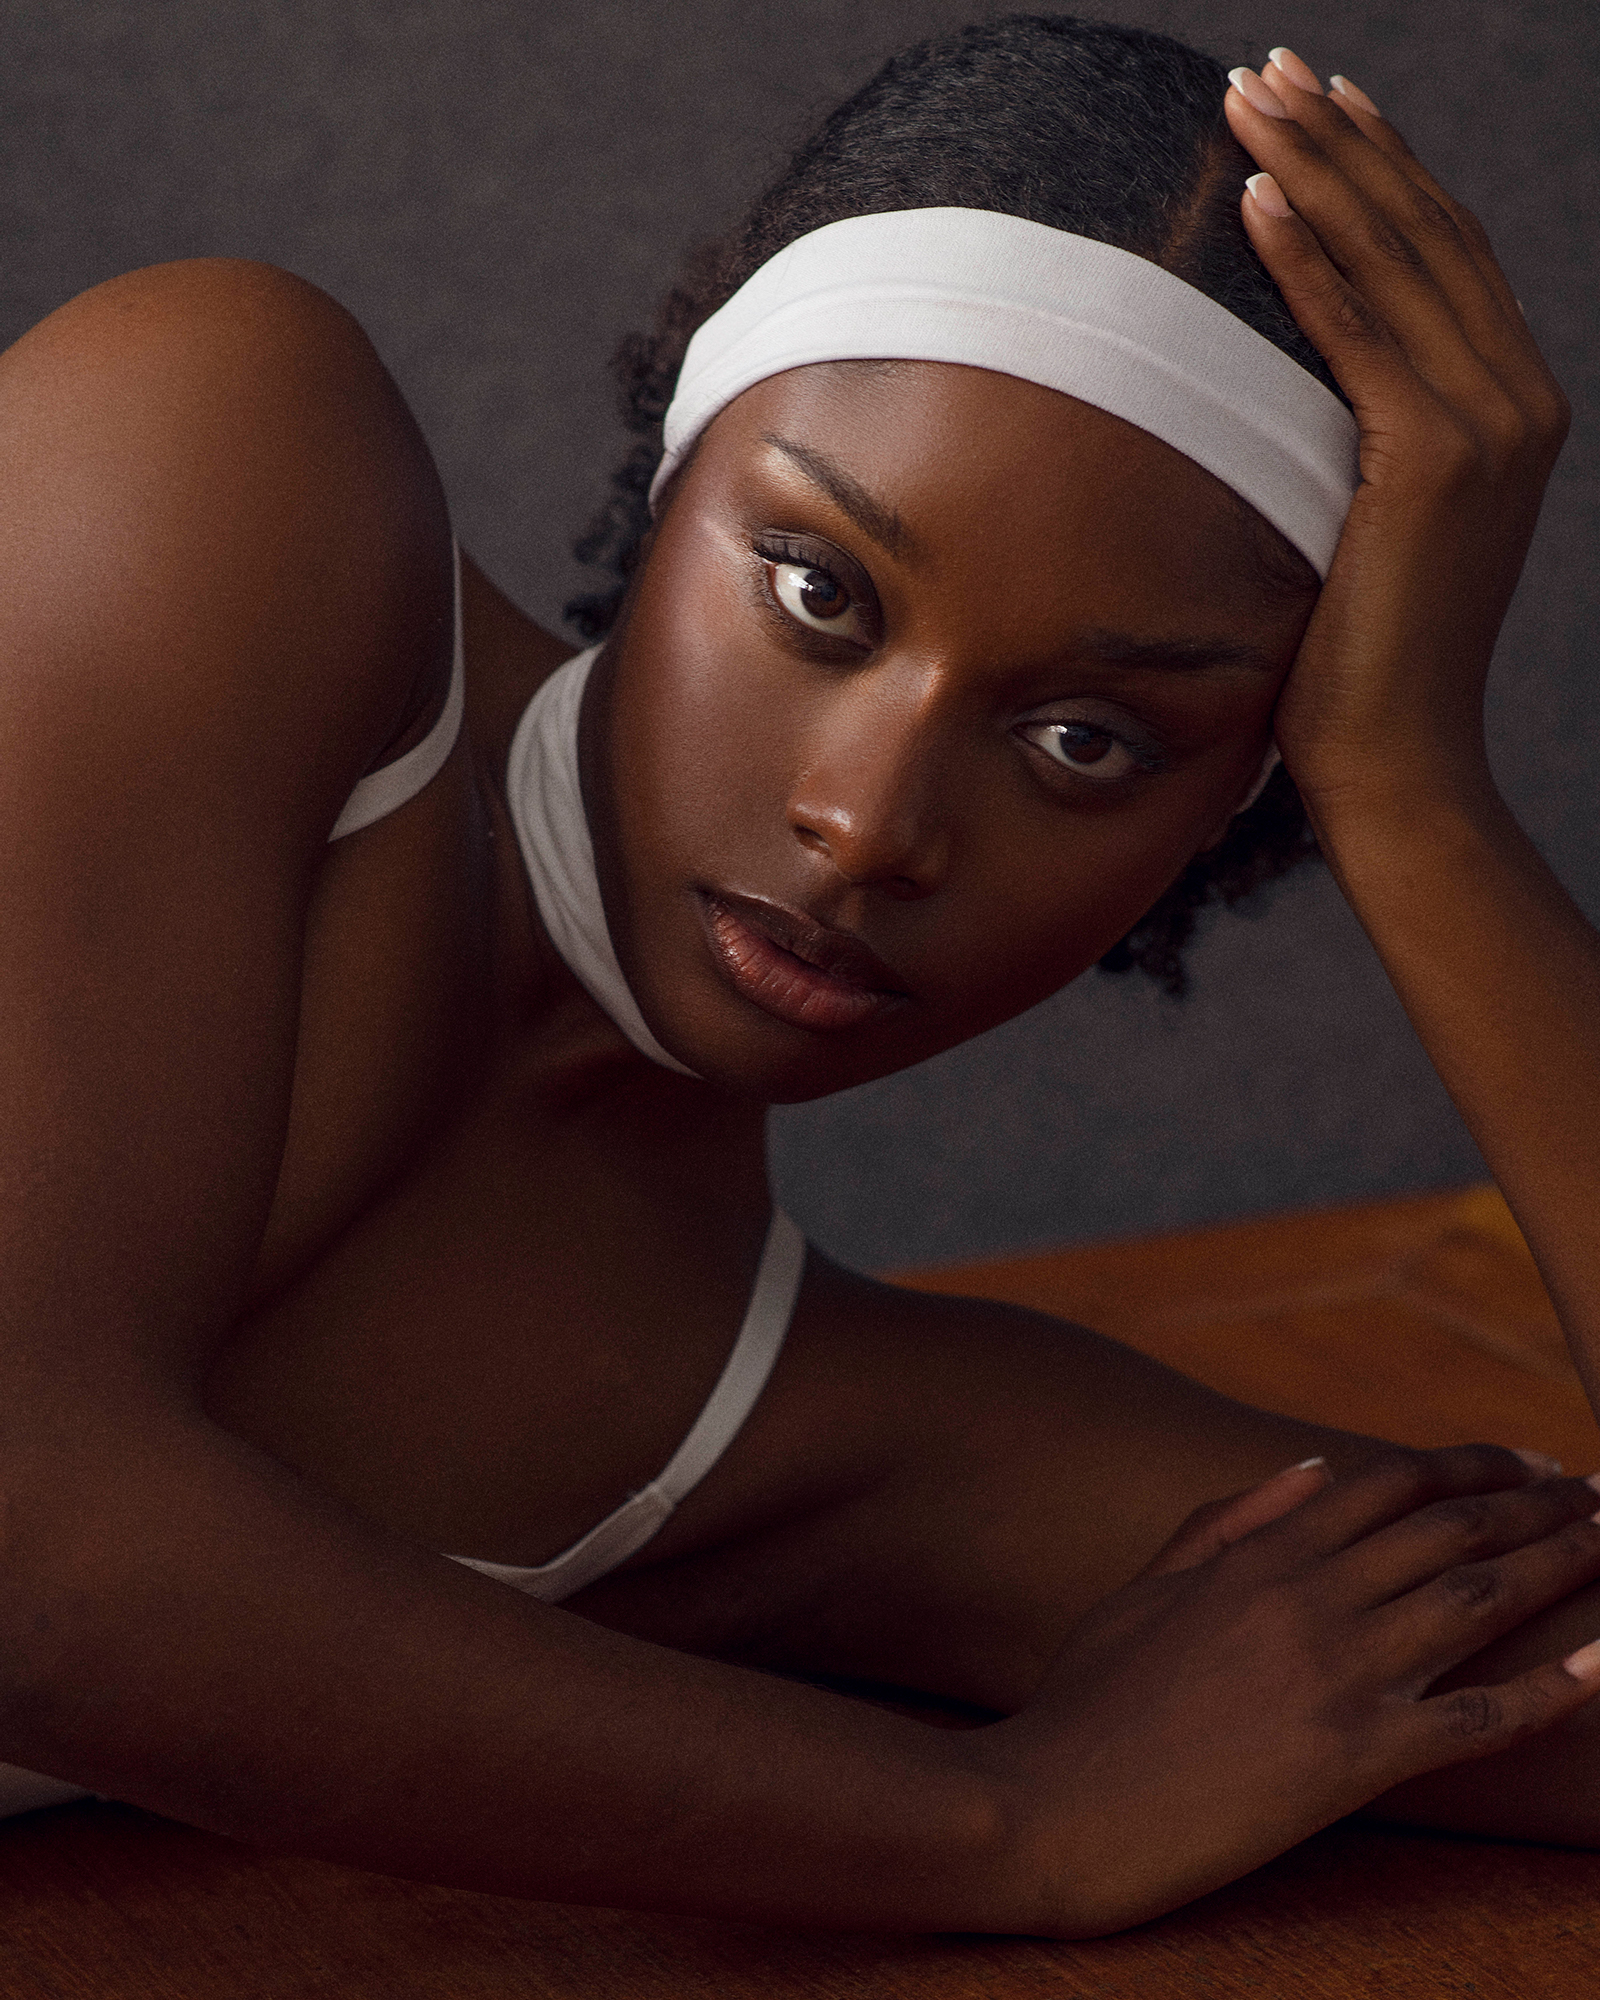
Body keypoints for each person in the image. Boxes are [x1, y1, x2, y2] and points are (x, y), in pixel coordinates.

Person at [0, 10, 1594, 1938]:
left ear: (1229, 817)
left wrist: (1415, 791)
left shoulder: (817, 1449)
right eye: (818, 592)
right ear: (684, 459)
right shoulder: (218, 452)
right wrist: (1004, 1827)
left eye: (1090, 740)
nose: (869, 824)